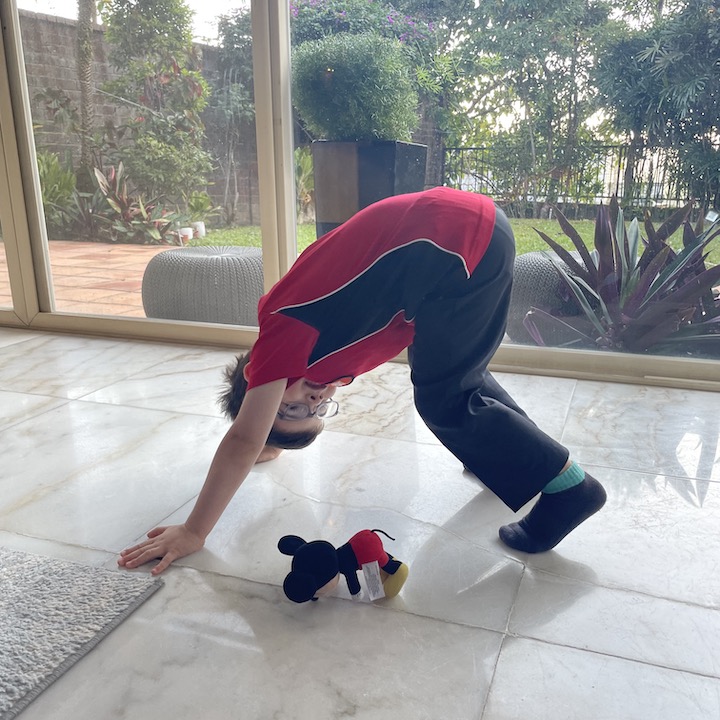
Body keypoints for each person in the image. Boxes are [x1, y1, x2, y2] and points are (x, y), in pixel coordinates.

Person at [118, 186, 606, 576]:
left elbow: (245, 438)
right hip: (461, 237)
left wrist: (195, 530)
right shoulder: (331, 360)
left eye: (291, 408)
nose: (314, 400)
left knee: (445, 400)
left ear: (256, 380)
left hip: (453, 244)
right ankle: (503, 459)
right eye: (316, 412)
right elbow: (260, 436)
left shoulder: (283, 335)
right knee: (458, 380)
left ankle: (571, 491)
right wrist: (274, 442)